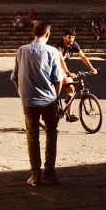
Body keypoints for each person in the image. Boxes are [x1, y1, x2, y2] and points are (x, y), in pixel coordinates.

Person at [10, 20, 63, 187]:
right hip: (49, 99)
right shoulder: (52, 51)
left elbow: (14, 77)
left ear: (34, 33)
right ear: (47, 34)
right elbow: (58, 79)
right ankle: (50, 172)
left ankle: (35, 174)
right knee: (51, 132)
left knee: (32, 135)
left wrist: (22, 93)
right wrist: (56, 96)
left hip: (29, 100)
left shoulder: (22, 50)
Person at [54, 28, 98, 122]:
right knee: (63, 79)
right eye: (69, 37)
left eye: (73, 37)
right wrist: (68, 72)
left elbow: (83, 56)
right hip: (54, 68)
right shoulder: (59, 46)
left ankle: (69, 115)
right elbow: (61, 61)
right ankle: (55, 103)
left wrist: (91, 68)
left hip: (62, 69)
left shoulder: (74, 44)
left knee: (71, 89)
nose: (71, 39)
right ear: (64, 37)